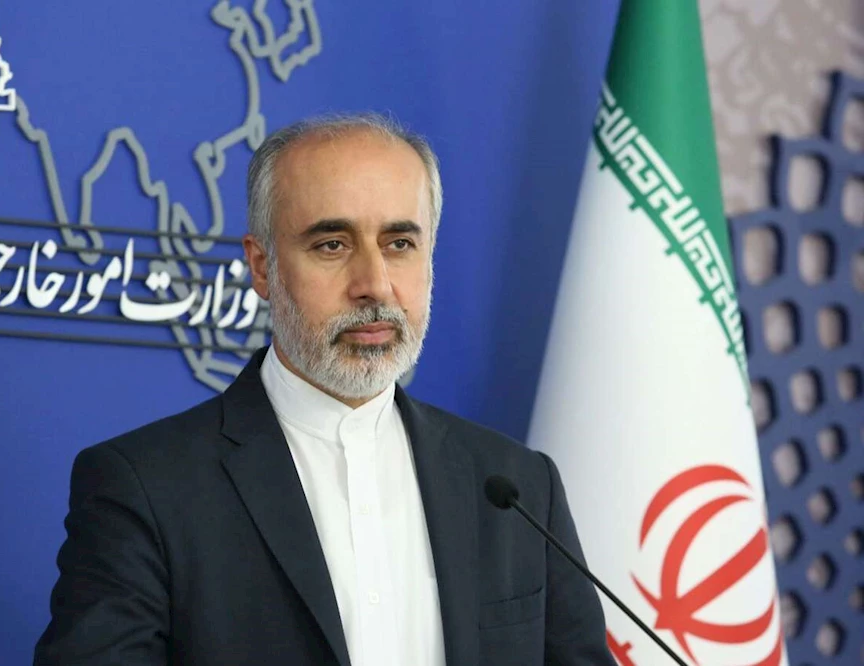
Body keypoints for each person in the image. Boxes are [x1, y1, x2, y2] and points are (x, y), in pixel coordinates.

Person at [33, 114, 615, 666]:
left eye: (400, 244)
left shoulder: (518, 486)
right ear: (262, 267)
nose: (374, 285)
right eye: (332, 245)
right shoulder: (145, 487)